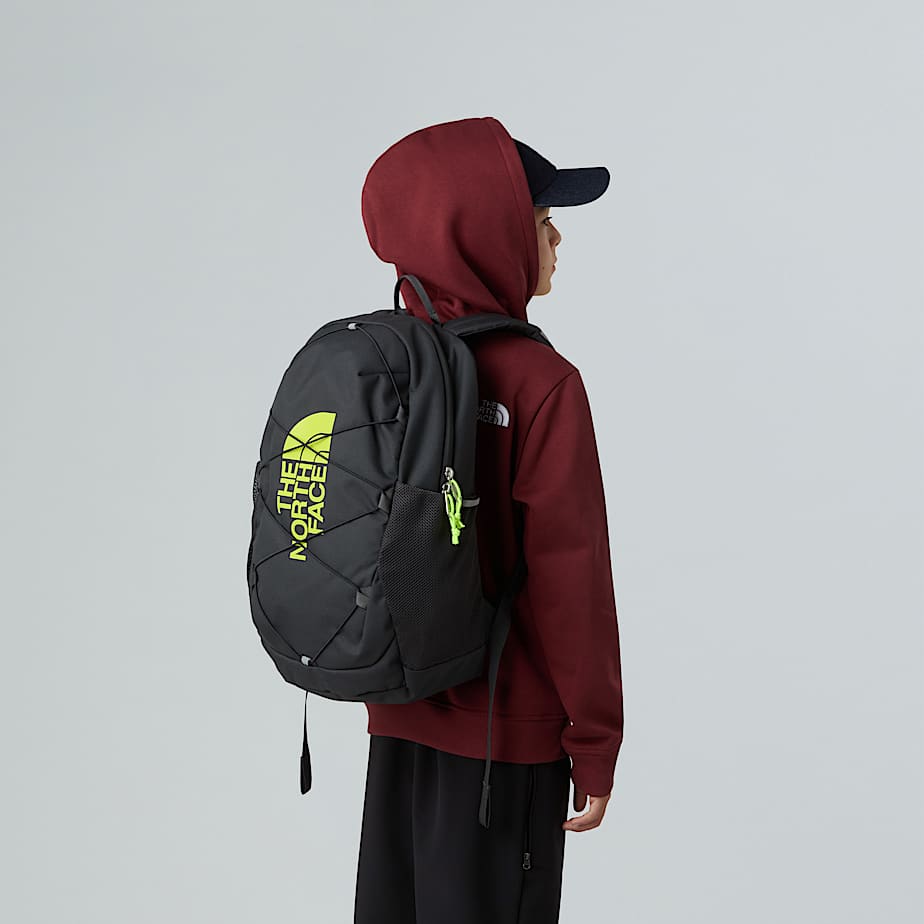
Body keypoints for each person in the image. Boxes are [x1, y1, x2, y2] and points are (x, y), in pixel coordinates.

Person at [354, 116, 624, 924]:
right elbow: (571, 582)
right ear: (489, 235)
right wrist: (595, 741)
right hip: (505, 746)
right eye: (541, 220)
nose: (557, 240)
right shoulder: (541, 383)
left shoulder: (382, 364)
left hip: (397, 718)